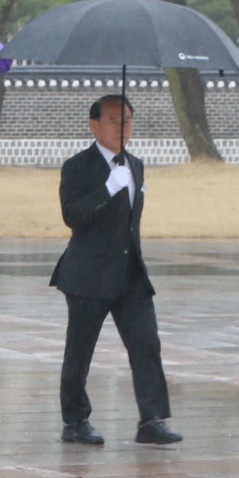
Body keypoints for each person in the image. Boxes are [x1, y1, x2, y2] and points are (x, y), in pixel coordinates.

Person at [52, 95, 179, 447]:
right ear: (93, 125)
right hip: (88, 274)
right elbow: (72, 215)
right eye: (113, 120)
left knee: (146, 344)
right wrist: (108, 188)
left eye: (126, 120)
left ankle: (151, 420)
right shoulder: (77, 166)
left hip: (130, 274)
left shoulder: (135, 165)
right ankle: (75, 421)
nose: (122, 127)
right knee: (80, 351)